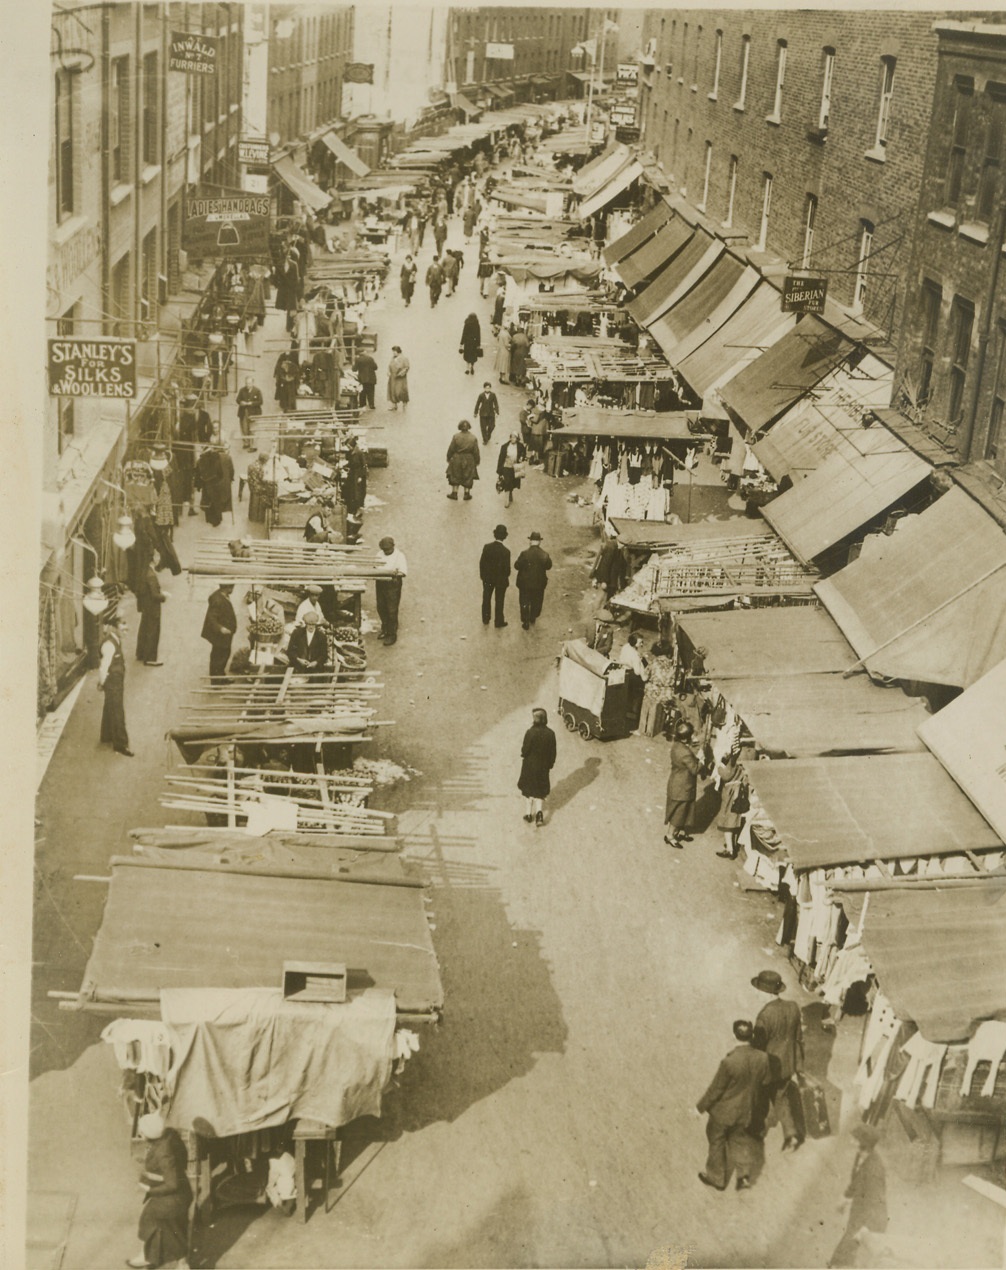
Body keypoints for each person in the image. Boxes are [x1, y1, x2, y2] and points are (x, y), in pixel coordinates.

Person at [696, 1020, 772, 1193]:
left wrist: (699, 1108)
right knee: (739, 1140)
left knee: (716, 1140)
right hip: (747, 1112)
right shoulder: (763, 1058)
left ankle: (716, 1177)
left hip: (723, 1113)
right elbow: (765, 1082)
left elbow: (715, 1090)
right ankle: (744, 1174)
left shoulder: (729, 1062)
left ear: (734, 1035)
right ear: (751, 1036)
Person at [126, 1112, 192, 1269]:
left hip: (172, 1198)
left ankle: (179, 1262)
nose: (140, 1133)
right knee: (166, 1226)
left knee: (156, 1223)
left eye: (142, 1131)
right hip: (182, 1193)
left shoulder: (163, 1153)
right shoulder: (169, 1136)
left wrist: (149, 1188)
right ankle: (152, 1255)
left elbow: (172, 1184)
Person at [752, 968, 805, 1152]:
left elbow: (758, 1047)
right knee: (781, 1098)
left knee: (760, 1098)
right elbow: (798, 1036)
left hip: (769, 1067)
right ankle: (792, 1136)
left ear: (763, 992)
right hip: (787, 1064)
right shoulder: (792, 1007)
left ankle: (756, 1131)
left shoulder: (764, 1016)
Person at [829, 1124, 889, 1268]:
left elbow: (877, 1202)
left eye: (855, 1138)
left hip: (871, 1221)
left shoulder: (874, 1170)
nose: (852, 1140)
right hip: (859, 1214)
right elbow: (856, 1180)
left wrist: (866, 1228)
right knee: (847, 1256)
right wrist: (845, 1197)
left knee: (847, 1257)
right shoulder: (861, 1155)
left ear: (864, 1143)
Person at [98, 614, 133, 756]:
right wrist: (101, 682)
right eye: (123, 626)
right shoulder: (109, 645)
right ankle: (121, 744)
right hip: (113, 681)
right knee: (117, 710)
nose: (126, 628)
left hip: (115, 680)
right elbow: (103, 666)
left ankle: (106, 736)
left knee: (109, 706)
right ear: (114, 628)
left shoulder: (115, 640)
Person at [664, 720, 701, 847]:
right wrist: (701, 759)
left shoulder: (677, 746)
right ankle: (670, 836)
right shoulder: (685, 753)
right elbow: (695, 769)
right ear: (686, 738)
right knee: (678, 813)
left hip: (678, 784)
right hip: (682, 787)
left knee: (684, 810)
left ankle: (679, 832)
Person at [518, 706, 557, 826]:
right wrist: (549, 765)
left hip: (530, 766)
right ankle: (539, 814)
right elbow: (553, 752)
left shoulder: (530, 732)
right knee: (540, 791)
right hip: (543, 767)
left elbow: (525, 751)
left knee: (528, 791)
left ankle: (529, 814)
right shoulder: (551, 734)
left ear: (535, 719)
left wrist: (524, 753)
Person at [514, 530, 552, 630]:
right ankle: (533, 617)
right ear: (539, 542)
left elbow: (516, 566)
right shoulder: (545, 554)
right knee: (537, 600)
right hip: (539, 584)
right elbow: (549, 566)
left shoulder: (524, 553)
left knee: (524, 601)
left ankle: (525, 621)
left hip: (525, 583)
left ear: (530, 541)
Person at [640, 639, 676, 738]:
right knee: (656, 709)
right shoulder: (671, 664)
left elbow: (645, 677)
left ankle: (643, 729)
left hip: (652, 690)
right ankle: (653, 730)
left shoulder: (653, 663)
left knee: (646, 707)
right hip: (664, 692)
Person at [716, 747, 747, 859]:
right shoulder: (750, 754)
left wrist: (721, 763)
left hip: (731, 792)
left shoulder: (733, 759)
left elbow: (725, 774)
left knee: (727, 822)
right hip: (741, 790)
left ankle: (730, 850)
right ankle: (731, 844)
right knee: (734, 819)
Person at [375, 536, 407, 645]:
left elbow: (403, 572)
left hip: (393, 584)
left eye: (388, 549)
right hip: (381, 583)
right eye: (384, 550)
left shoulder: (399, 556)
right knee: (381, 607)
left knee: (391, 610)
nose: (386, 552)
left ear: (393, 547)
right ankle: (385, 628)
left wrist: (393, 574)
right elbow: (374, 567)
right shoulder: (379, 555)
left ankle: (392, 634)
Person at [202, 582, 237, 679]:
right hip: (220, 635)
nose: (233, 589)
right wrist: (221, 628)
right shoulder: (218, 600)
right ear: (227, 587)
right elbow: (211, 617)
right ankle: (217, 679)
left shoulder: (222, 595)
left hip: (225, 634)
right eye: (232, 587)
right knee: (219, 656)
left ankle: (220, 676)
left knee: (223, 654)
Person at [135, 561, 166, 667]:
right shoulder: (151, 575)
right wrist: (164, 596)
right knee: (153, 631)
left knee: (144, 628)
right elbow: (155, 595)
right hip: (153, 607)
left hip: (145, 606)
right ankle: (150, 658)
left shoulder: (144, 572)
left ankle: (141, 653)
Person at [479, 523, 511, 628]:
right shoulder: (506, 552)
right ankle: (498, 621)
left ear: (495, 534)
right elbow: (507, 570)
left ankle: (486, 618)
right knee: (499, 600)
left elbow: (482, 563)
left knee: (486, 598)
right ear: (505, 537)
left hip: (488, 579)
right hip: (500, 581)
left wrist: (483, 576)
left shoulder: (487, 547)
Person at [618, 632, 649, 728]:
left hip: (624, 672)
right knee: (636, 696)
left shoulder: (626, 647)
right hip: (633, 676)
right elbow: (637, 672)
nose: (642, 644)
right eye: (640, 643)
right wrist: (646, 674)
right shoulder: (635, 655)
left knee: (626, 696)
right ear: (635, 643)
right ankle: (634, 718)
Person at [446, 420, 481, 501]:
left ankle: (454, 493)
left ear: (460, 427)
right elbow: (476, 451)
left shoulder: (456, 436)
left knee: (455, 474)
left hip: (457, 458)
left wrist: (449, 458)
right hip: (469, 459)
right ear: (468, 427)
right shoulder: (473, 437)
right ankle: (467, 494)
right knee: (468, 475)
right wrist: (477, 461)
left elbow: (451, 449)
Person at [287, 610, 330, 674]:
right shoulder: (297, 633)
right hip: (298, 668)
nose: (311, 626)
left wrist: (316, 662)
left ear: (316, 624)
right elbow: (290, 651)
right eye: (309, 624)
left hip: (315, 670)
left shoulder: (321, 636)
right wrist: (298, 659)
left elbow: (324, 655)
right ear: (305, 623)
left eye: (313, 624)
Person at [497, 432, 526, 508]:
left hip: (515, 467)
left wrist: (522, 458)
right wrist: (499, 470)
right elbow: (500, 459)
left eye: (514, 437)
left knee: (513, 482)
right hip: (506, 467)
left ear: (517, 439)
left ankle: (510, 493)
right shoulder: (504, 447)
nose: (513, 439)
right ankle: (506, 500)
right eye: (511, 437)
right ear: (509, 438)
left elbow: (524, 454)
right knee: (507, 482)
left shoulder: (520, 446)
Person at [235, 376, 263, 451]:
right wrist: (241, 402)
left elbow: (260, 402)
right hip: (243, 412)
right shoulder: (242, 390)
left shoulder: (257, 391)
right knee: (244, 429)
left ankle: (253, 446)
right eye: (247, 383)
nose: (248, 385)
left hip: (254, 413)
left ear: (253, 383)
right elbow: (237, 399)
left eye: (249, 383)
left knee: (253, 430)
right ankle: (246, 443)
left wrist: (252, 403)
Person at [342, 434, 368, 514]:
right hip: (353, 473)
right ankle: (352, 507)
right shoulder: (351, 452)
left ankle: (358, 508)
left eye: (349, 446)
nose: (348, 448)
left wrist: (361, 476)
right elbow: (351, 463)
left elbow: (364, 465)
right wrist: (344, 466)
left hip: (358, 474)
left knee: (358, 492)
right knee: (352, 491)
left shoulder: (359, 453)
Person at [387, 345, 410, 411]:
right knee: (392, 390)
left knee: (401, 391)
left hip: (400, 378)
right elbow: (389, 365)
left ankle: (404, 403)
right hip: (393, 377)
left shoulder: (404, 358)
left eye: (394, 352)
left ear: (398, 352)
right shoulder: (393, 358)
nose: (393, 353)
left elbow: (406, 367)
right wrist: (388, 371)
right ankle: (394, 405)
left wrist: (401, 373)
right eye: (393, 352)